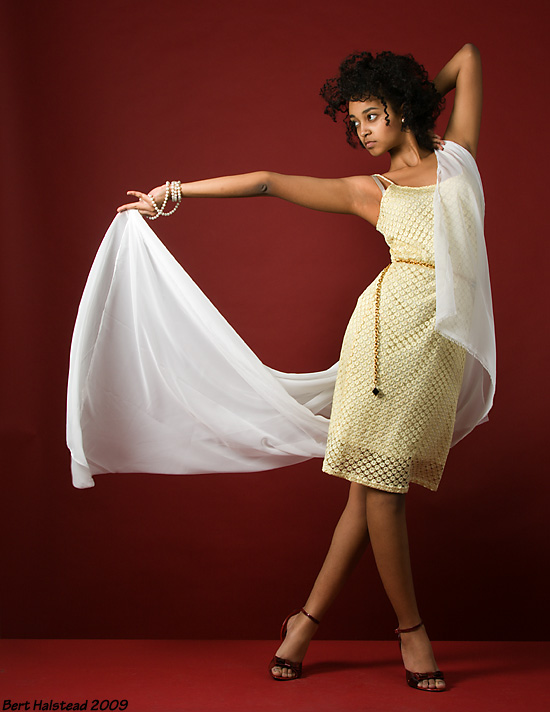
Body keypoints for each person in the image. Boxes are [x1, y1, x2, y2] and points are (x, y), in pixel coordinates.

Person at [116, 44, 494, 692]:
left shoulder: (457, 157)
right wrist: (173, 194)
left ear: (399, 107)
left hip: (439, 348)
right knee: (384, 491)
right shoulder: (370, 191)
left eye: (372, 115)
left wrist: (416, 103)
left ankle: (303, 624)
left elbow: (467, 58)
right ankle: (411, 631)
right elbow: (268, 180)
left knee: (366, 494)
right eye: (355, 122)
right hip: (386, 341)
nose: (363, 131)